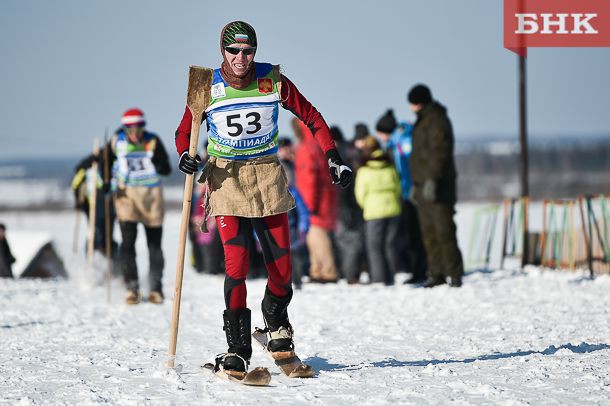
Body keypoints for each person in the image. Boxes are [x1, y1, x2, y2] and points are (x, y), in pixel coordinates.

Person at [175, 21, 352, 374]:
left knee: (282, 271)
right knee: (236, 265)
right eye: (233, 51)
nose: (241, 58)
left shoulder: (273, 80)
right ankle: (237, 347)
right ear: (222, 51)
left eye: (248, 51)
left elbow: (312, 117)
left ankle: (275, 321)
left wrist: (333, 156)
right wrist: (185, 153)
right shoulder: (205, 84)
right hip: (226, 180)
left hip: (268, 177)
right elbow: (185, 130)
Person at [110, 108, 172, 303]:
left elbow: (167, 168)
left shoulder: (153, 141)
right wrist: (103, 180)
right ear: (125, 129)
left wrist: (157, 162)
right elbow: (103, 162)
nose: (134, 134)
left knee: (154, 244)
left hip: (151, 197)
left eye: (138, 129)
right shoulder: (116, 141)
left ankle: (155, 287)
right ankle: (132, 286)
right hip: (126, 197)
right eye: (130, 129)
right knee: (127, 243)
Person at [407, 84, 464, 288]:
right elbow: (418, 157)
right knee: (429, 233)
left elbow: (440, 153)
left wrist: (433, 179)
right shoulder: (422, 122)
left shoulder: (438, 120)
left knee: (444, 230)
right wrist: (416, 184)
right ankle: (436, 272)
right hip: (422, 185)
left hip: (439, 187)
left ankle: (454, 273)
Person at [375, 109, 428, 284]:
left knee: (416, 234)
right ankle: (418, 269)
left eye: (381, 133)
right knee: (411, 234)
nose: (380, 138)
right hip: (407, 192)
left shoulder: (404, 141)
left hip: (412, 192)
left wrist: (411, 189)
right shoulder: (397, 141)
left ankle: (421, 270)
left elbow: (410, 168)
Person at [293, 118, 340, 283]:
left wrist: (308, 205)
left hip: (313, 201)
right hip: (325, 198)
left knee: (317, 236)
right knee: (314, 236)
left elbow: (310, 179)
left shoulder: (306, 149)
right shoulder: (318, 145)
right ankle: (317, 269)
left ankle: (327, 271)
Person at [354, 136, 402, 285]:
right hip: (393, 208)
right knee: (390, 245)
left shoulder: (364, 169)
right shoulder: (390, 165)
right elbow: (398, 188)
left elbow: (360, 193)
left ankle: (379, 278)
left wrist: (366, 205)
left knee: (374, 247)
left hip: (373, 211)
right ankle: (391, 277)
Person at [331, 125, 366, 284]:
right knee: (351, 241)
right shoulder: (350, 153)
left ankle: (350, 274)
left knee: (348, 241)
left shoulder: (340, 157)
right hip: (351, 205)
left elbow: (344, 187)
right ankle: (350, 273)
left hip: (345, 206)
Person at [277, 137, 309, 289]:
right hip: (277, 228)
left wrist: (303, 228)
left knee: (295, 255)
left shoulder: (293, 192)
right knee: (279, 258)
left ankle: (297, 281)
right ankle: (281, 282)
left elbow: (303, 212)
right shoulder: (278, 164)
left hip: (292, 228)